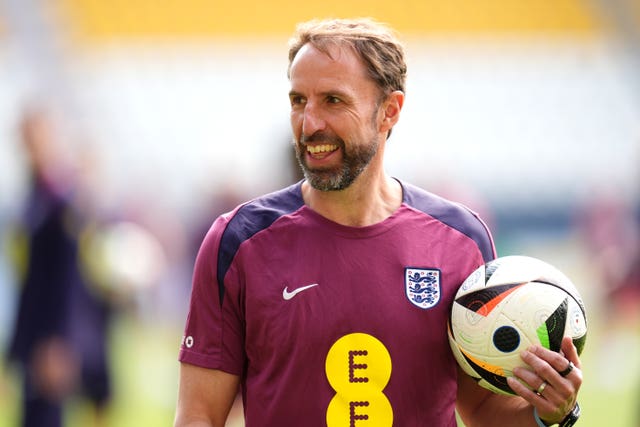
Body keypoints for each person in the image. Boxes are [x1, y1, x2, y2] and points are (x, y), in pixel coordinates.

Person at [174, 18, 583, 427]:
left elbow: (483, 409)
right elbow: (199, 416)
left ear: (389, 111)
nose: (309, 123)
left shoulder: (460, 241)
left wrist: (552, 414)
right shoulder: (238, 241)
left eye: (333, 100)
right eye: (299, 101)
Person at [6, 106, 112, 427]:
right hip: (33, 330)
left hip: (51, 336)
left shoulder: (61, 198)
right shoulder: (34, 193)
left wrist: (60, 340)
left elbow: (68, 278)